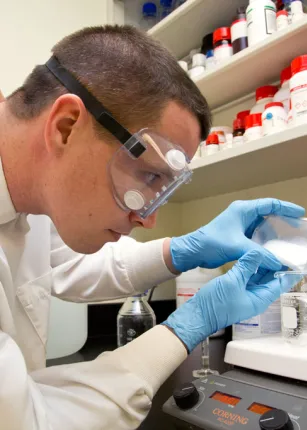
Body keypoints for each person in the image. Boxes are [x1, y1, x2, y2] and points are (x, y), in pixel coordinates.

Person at [0, 24, 304, 430]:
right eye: (148, 176)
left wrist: (185, 250)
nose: (148, 217)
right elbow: (31, 422)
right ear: (66, 125)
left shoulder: (30, 201)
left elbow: (70, 264)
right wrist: (187, 325)